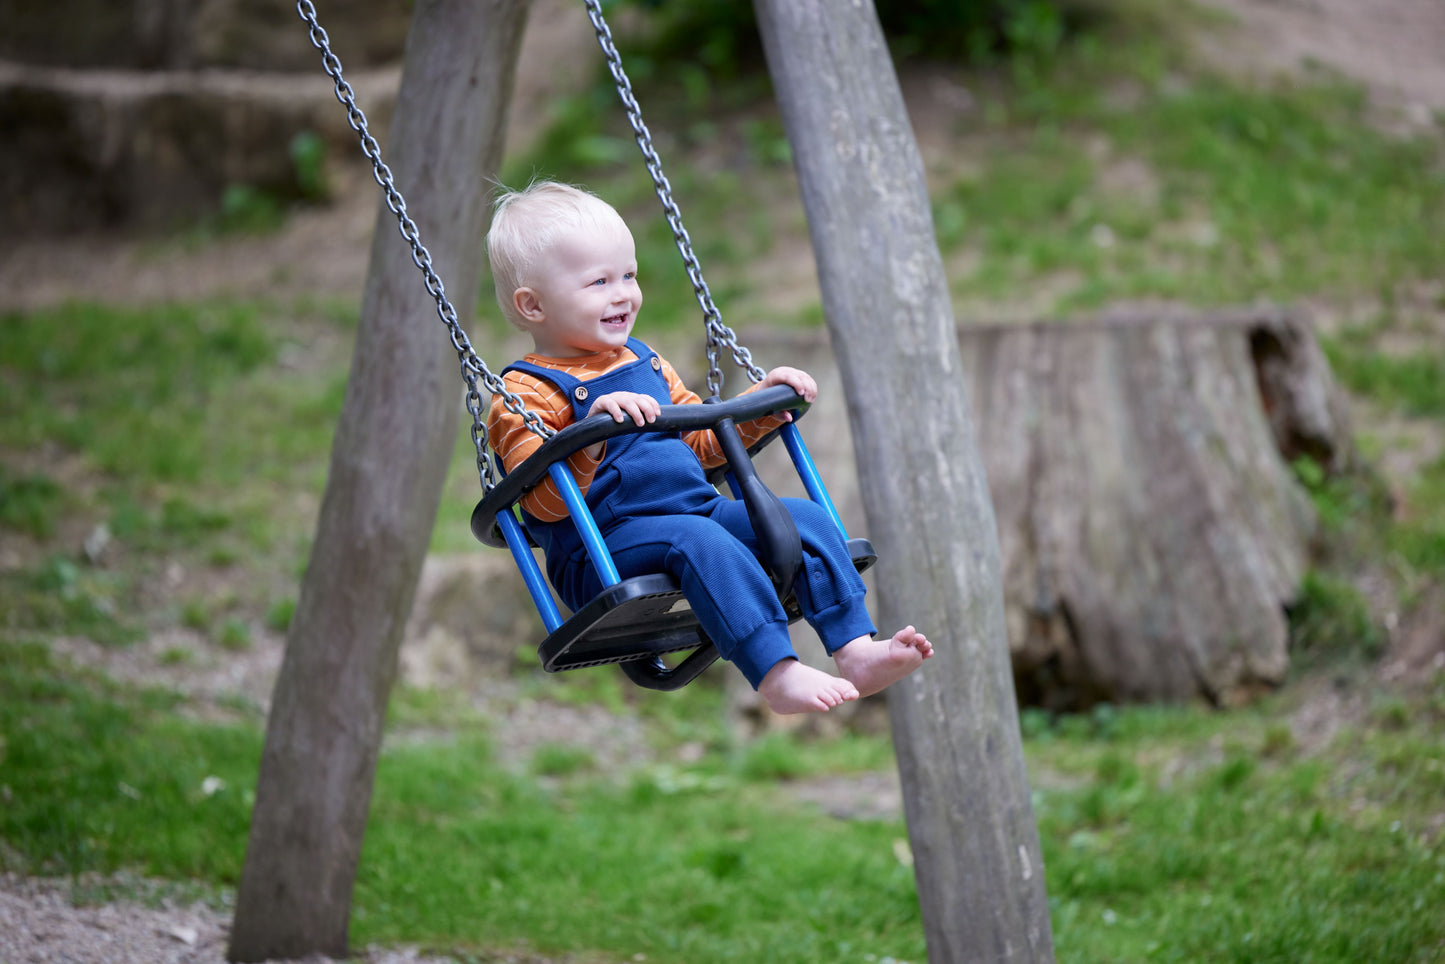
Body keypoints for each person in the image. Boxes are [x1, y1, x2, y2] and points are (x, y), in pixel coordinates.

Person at [485, 180, 932, 714]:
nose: (623, 292)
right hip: (602, 549)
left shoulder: (647, 364)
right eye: (598, 281)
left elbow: (701, 446)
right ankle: (775, 672)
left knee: (802, 520)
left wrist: (760, 405)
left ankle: (856, 648)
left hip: (696, 510)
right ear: (533, 305)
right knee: (699, 539)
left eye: (629, 274)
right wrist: (588, 439)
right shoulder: (523, 394)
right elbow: (540, 504)